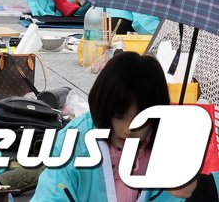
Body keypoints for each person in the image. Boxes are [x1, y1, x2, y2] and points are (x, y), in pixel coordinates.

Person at [34, 52, 197, 201]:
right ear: (104, 106)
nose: (128, 129)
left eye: (140, 120)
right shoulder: (74, 141)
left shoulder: (170, 146)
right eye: (119, 116)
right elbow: (51, 194)